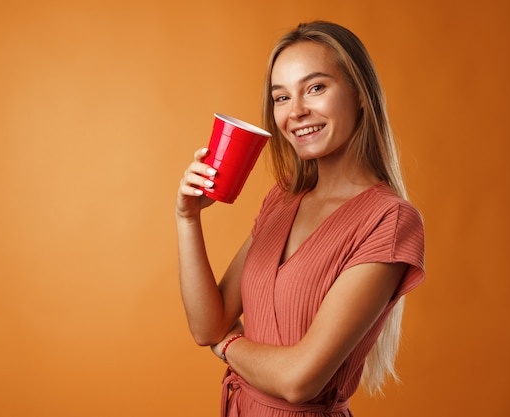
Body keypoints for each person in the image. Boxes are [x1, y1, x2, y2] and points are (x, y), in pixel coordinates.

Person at [176, 20, 425, 417]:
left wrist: (228, 346)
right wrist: (187, 219)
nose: (296, 112)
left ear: (360, 94)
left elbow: (298, 381)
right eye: (281, 97)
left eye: (316, 88)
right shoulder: (283, 198)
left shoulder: (389, 221)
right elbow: (208, 325)